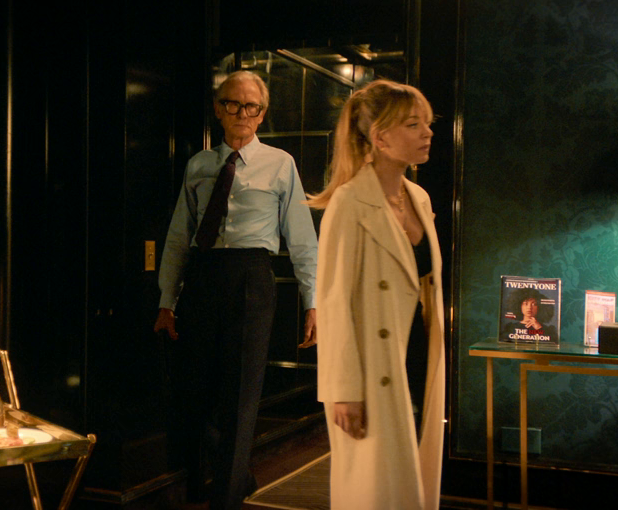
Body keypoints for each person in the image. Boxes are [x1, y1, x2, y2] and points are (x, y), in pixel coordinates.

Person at [154, 70, 318, 510]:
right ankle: (236, 474)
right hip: (202, 276)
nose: (241, 113)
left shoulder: (280, 164)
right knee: (193, 391)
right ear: (218, 108)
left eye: (250, 106)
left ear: (261, 114)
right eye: (232, 103)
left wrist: (313, 301)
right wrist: (167, 300)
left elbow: (302, 237)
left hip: (252, 276)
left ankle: (225, 499)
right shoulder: (199, 165)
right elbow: (178, 236)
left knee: (242, 395)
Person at [307, 79, 445, 510]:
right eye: (413, 124)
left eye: (427, 123)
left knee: (411, 477)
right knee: (375, 488)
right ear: (381, 138)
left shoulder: (418, 197)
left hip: (418, 351)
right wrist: (342, 389)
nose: (428, 133)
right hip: (371, 366)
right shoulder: (349, 202)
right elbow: (333, 301)